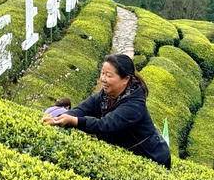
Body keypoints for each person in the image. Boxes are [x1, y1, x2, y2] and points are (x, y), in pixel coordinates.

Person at [42, 54, 171, 168]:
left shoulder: (135, 105)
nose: (103, 79)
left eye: (108, 75)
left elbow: (105, 125)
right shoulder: (105, 95)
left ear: (126, 79)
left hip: (152, 156)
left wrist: (75, 121)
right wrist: (61, 117)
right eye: (102, 73)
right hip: (128, 151)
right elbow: (82, 109)